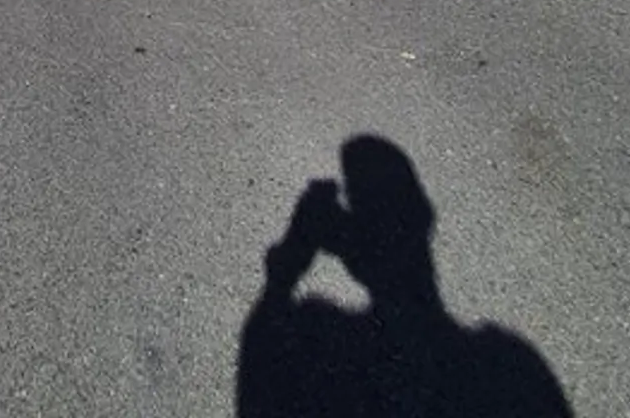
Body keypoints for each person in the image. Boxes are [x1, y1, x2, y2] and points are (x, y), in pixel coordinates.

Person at [237, 136, 573, 417]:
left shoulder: (313, 336)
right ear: (424, 219)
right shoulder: (512, 365)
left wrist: (288, 265)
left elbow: (262, 360)